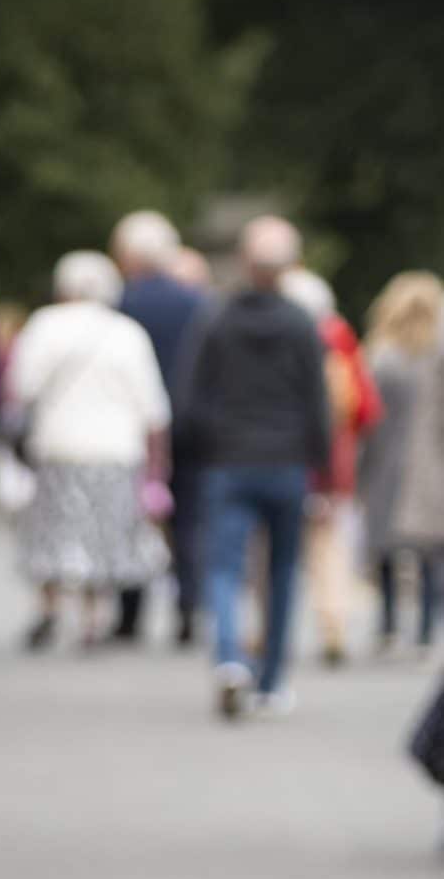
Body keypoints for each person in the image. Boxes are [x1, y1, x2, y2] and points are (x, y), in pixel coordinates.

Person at [177, 214, 333, 718]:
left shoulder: (216, 318)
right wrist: (323, 467)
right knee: (283, 571)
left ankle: (229, 658)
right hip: (287, 461)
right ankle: (271, 680)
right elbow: (318, 400)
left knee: (225, 565)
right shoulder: (301, 322)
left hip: (229, 459)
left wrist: (201, 449)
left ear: (246, 262)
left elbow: (192, 395)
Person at [4, 249, 170, 650]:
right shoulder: (128, 332)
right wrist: (159, 465)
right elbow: (153, 407)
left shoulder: (43, 326)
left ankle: (48, 609)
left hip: (58, 445)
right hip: (115, 449)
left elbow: (20, 388)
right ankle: (94, 619)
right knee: (103, 533)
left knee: (52, 531)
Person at [110, 209, 209, 644]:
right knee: (189, 520)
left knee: (133, 519)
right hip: (189, 426)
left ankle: (130, 614)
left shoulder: (123, 304)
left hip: (135, 430)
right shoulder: (198, 303)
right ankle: (188, 606)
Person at [281, 268, 384, 665]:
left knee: (275, 548)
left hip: (287, 457)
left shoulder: (284, 339)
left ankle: (268, 629)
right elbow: (364, 407)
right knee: (329, 548)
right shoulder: (341, 340)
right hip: (333, 459)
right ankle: (334, 624)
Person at [360, 270, 444, 650]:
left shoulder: (382, 357)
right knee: (432, 552)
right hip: (433, 463)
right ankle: (427, 628)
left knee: (386, 548)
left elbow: (366, 415)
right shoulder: (437, 357)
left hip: (386, 460)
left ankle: (390, 625)